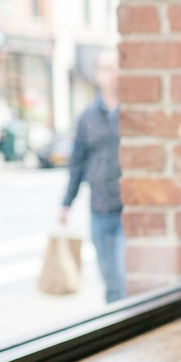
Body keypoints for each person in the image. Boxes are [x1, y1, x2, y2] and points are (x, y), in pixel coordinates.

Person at [60, 49, 125, 304]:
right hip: (99, 210)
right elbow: (77, 163)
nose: (114, 74)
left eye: (118, 67)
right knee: (110, 281)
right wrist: (66, 204)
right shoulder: (88, 117)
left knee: (125, 276)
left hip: (127, 210)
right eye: (108, 68)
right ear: (98, 75)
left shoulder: (133, 111)